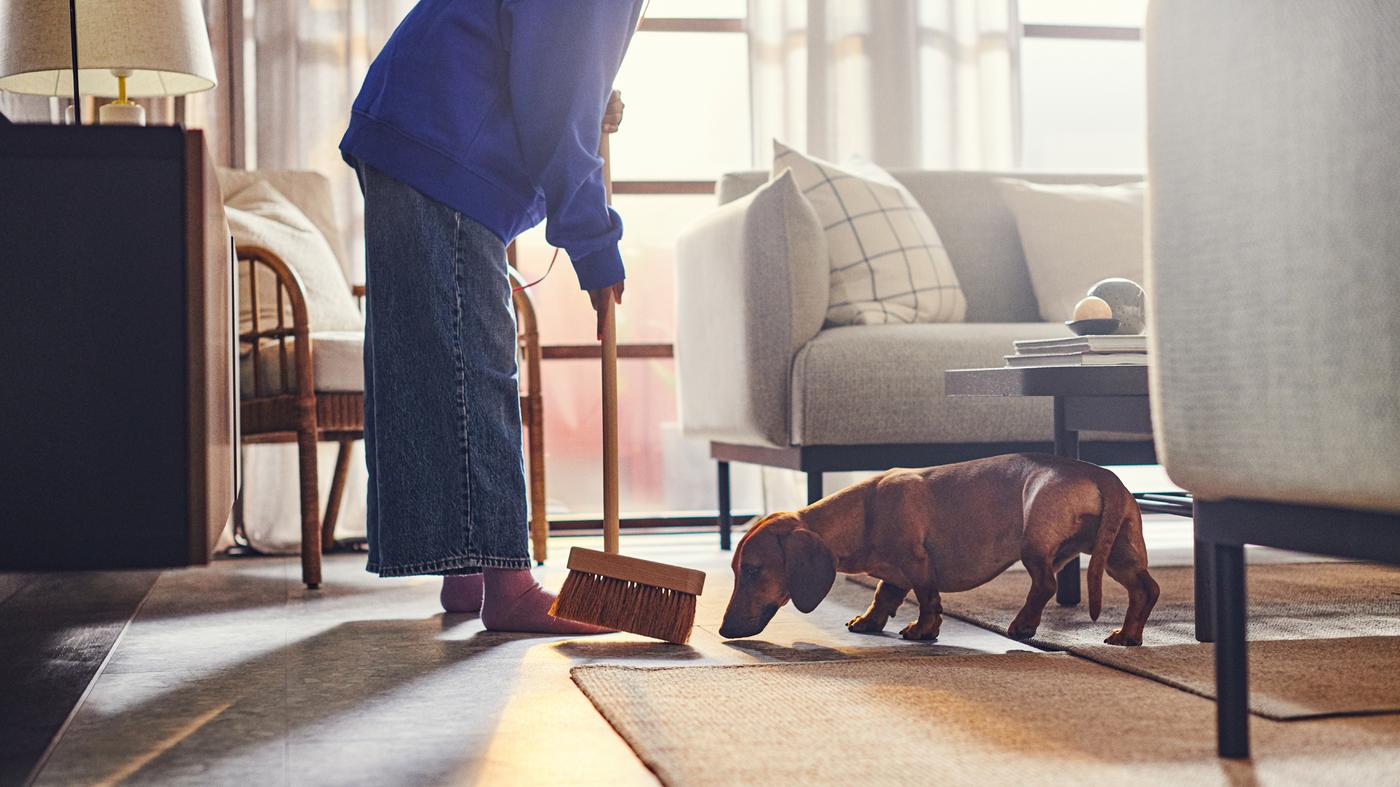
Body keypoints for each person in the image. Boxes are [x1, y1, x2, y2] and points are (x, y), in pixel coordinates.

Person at [339, 0, 645, 633]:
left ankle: (468, 569)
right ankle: (507, 587)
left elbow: (547, 70)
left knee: (438, 354)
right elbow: (556, 110)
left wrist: (589, 104)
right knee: (472, 363)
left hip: (417, 127)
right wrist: (594, 245)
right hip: (442, 138)